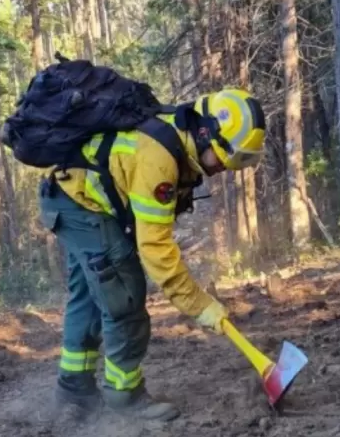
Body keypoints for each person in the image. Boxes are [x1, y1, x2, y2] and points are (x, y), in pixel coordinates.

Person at [37, 87, 267, 422]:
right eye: (222, 158)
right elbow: (156, 250)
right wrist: (202, 307)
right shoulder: (158, 158)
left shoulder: (177, 141)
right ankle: (124, 396)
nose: (222, 169)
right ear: (206, 134)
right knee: (124, 296)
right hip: (78, 205)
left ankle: (74, 389)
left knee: (91, 294)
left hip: (70, 197)